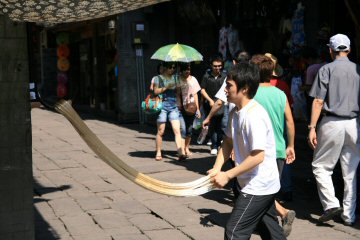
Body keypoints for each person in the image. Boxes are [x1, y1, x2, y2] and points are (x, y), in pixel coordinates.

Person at [208, 62, 286, 240]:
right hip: (254, 183)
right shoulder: (236, 111)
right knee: (271, 231)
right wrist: (217, 167)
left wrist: (228, 175)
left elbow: (258, 156)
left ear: (244, 89)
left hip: (258, 185)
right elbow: (227, 142)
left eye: (229, 85)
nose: (225, 90)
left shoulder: (254, 115)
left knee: (235, 231)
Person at [308, 33, 360, 226]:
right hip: (355, 123)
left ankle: (330, 204)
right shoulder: (358, 70)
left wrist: (312, 127)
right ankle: (349, 215)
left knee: (321, 166)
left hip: (331, 123)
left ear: (330, 50)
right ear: (349, 50)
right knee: (351, 170)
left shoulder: (326, 69)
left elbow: (319, 101)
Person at [250, 54, 296, 237]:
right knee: (267, 189)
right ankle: (272, 222)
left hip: (257, 150)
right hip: (278, 149)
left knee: (258, 190)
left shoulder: (251, 94)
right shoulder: (280, 94)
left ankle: (278, 220)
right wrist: (290, 145)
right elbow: (290, 122)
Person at [153, 62, 186, 161]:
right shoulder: (158, 78)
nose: (172, 69)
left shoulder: (176, 78)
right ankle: (158, 151)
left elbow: (180, 90)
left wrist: (179, 85)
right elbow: (155, 91)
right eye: (170, 67)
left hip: (173, 106)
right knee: (161, 131)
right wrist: (166, 87)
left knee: (177, 130)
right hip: (162, 105)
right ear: (165, 68)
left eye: (173, 67)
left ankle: (180, 153)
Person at [200, 54, 227, 155]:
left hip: (222, 105)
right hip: (209, 105)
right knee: (212, 126)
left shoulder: (225, 76)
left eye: (219, 65)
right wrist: (210, 100)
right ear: (211, 66)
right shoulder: (206, 76)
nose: (217, 68)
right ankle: (214, 145)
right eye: (215, 66)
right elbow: (202, 90)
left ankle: (221, 144)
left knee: (222, 126)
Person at [178, 63, 201, 157]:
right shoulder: (178, 79)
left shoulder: (193, 79)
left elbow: (195, 94)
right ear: (181, 70)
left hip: (191, 107)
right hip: (180, 108)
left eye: (188, 69)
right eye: (185, 69)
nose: (187, 71)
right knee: (182, 129)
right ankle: (182, 150)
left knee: (190, 129)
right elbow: (176, 93)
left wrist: (198, 109)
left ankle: (186, 147)